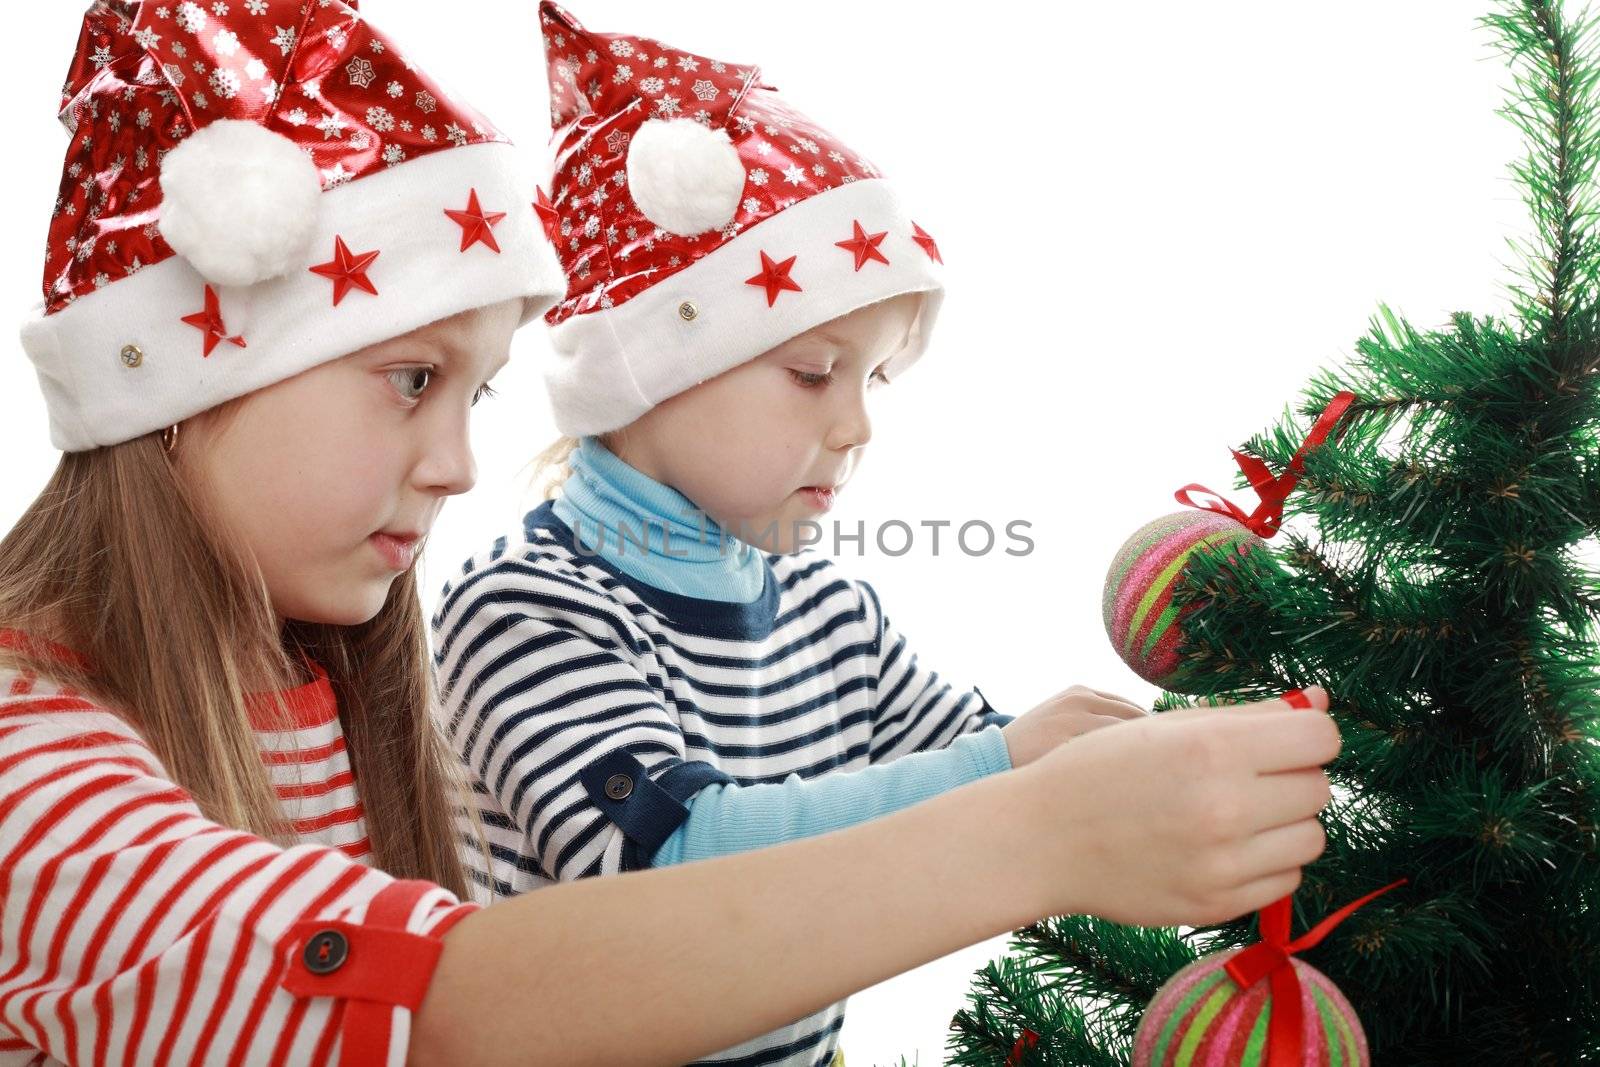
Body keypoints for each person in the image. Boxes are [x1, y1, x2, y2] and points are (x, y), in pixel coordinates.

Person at [0, 3, 1340, 1065]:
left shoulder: (336, 676)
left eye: (474, 393)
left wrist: (1183, 771)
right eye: (411, 378)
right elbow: (446, 999)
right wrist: (1034, 822)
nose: (462, 462)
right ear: (177, 385)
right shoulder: (27, 764)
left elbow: (971, 749)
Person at [429, 5, 1332, 1065]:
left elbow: (970, 764)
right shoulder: (525, 608)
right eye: (813, 371)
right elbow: (670, 867)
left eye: (874, 379)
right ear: (650, 371)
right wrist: (1020, 773)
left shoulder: (831, 616)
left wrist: (1156, 766)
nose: (855, 425)